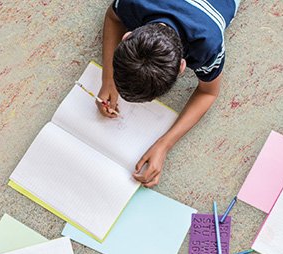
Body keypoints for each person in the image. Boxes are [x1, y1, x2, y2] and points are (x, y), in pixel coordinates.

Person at [98, 0, 237, 187]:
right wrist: (108, 78)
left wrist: (165, 144)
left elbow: (209, 93)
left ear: (181, 66)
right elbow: (112, 16)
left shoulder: (209, 45)